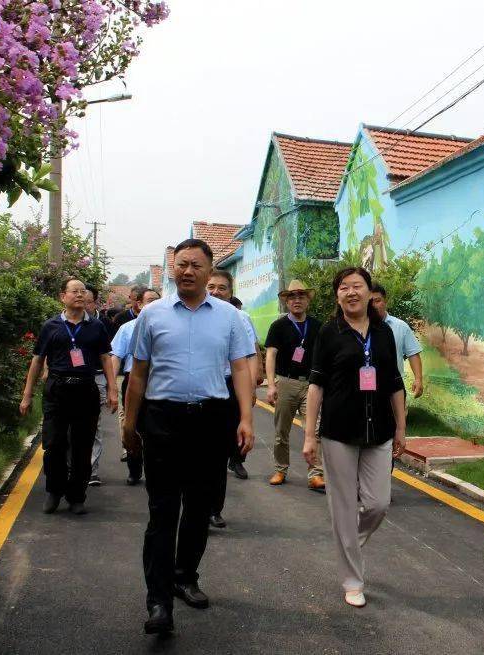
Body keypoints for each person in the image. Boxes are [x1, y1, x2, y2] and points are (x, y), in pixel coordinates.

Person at [121, 239, 255, 635]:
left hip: (211, 420)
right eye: (181, 264)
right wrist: (129, 424)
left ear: (210, 270)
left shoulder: (230, 317)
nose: (188, 271)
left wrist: (246, 418)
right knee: (162, 512)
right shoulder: (152, 315)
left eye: (196, 265)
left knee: (198, 509)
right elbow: (138, 374)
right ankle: (158, 602)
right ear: (173, 268)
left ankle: (185, 576)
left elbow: (241, 369)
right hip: (163, 420)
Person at [303, 267, 406, 608]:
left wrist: (401, 427)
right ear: (337, 296)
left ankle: (348, 543)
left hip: (380, 431)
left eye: (357, 286)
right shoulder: (329, 333)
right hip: (338, 433)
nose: (351, 292)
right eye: (344, 287)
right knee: (344, 507)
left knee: (378, 504)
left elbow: (395, 383)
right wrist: (309, 435)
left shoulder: (384, 333)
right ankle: (352, 580)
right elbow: (316, 386)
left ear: (369, 292)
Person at [19, 277, 118, 515]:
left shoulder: (96, 326)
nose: (80, 295)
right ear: (62, 296)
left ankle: (77, 496)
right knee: (54, 444)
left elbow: (105, 358)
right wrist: (27, 395)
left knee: (82, 446)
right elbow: (37, 360)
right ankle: (54, 491)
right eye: (74, 291)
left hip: (86, 390)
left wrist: (113, 390)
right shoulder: (51, 326)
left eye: (83, 291)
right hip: (57, 389)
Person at [205, 268, 262, 528]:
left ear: (231, 292)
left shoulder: (239, 318)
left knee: (218, 453)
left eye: (222, 288)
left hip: (227, 388)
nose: (216, 292)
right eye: (211, 287)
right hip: (196, 389)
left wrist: (249, 393)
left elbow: (249, 356)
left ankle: (213, 509)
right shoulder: (191, 315)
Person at [264, 280, 324, 491]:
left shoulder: (317, 326)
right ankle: (280, 469)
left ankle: (316, 474)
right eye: (292, 297)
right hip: (286, 383)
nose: (297, 300)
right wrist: (271, 385)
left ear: (308, 300)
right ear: (286, 302)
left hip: (311, 385)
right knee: (282, 431)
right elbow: (270, 355)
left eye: (301, 296)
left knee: (315, 430)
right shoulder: (278, 326)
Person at [110, 288, 160, 485]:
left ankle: (155, 470)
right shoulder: (128, 328)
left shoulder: (169, 327)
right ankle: (134, 468)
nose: (154, 304)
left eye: (157, 300)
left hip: (159, 381)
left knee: (155, 428)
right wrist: (112, 386)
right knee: (133, 425)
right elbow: (116, 356)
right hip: (134, 380)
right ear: (139, 304)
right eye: (150, 300)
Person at [85, 284, 118, 486]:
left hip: (97, 378)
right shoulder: (63, 323)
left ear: (95, 302)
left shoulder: (104, 324)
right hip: (68, 382)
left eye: (88, 301)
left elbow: (110, 355)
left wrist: (112, 387)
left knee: (93, 425)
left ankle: (92, 470)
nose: (84, 304)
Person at [370, 284, 423, 401]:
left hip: (394, 387)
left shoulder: (400, 326)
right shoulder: (358, 327)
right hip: (365, 389)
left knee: (398, 413)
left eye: (377, 301)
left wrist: (418, 379)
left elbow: (413, 353)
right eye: (370, 302)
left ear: (385, 301)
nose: (373, 306)